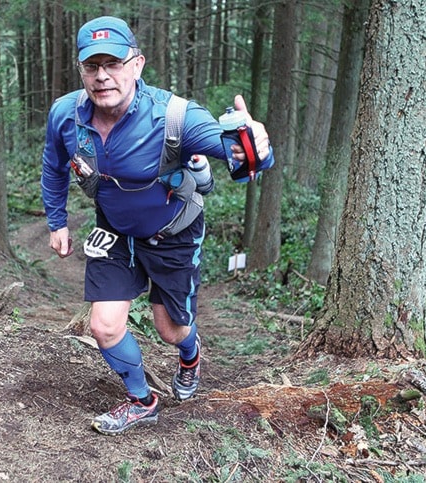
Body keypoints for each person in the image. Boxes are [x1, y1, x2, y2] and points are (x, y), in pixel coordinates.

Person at [41, 16, 273, 436]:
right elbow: (53, 167)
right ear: (81, 71)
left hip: (173, 232)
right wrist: (57, 220)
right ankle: (141, 400)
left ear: (137, 65)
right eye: (92, 67)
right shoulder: (65, 115)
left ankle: (190, 355)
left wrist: (251, 146)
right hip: (114, 230)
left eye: (113, 63)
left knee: (171, 329)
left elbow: (235, 152)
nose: (102, 76)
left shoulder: (174, 115)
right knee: (104, 326)